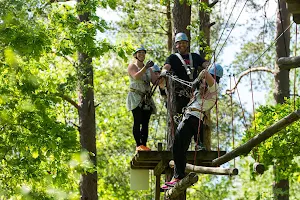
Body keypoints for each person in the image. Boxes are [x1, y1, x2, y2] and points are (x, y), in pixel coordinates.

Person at [162, 64, 223, 189]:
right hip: (191, 118)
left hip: (193, 118)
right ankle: (177, 176)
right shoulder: (203, 92)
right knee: (180, 148)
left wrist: (199, 77)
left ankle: (178, 176)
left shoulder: (214, 87)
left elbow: (205, 73)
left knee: (177, 145)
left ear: (214, 77)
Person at [161, 32, 210, 115]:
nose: (181, 45)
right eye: (179, 43)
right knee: (182, 117)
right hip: (180, 95)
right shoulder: (172, 58)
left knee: (196, 117)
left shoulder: (195, 57)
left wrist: (211, 66)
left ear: (187, 44)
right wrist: (164, 72)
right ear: (176, 45)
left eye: (183, 43)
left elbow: (205, 64)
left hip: (195, 93)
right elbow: (166, 67)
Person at [126, 46, 159, 152]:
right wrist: (146, 68)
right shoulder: (132, 66)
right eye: (139, 52)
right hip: (136, 97)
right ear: (135, 55)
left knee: (145, 122)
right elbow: (136, 76)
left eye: (143, 53)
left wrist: (161, 75)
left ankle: (144, 145)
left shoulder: (149, 69)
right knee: (137, 120)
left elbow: (154, 81)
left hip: (147, 98)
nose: (141, 54)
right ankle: (138, 145)